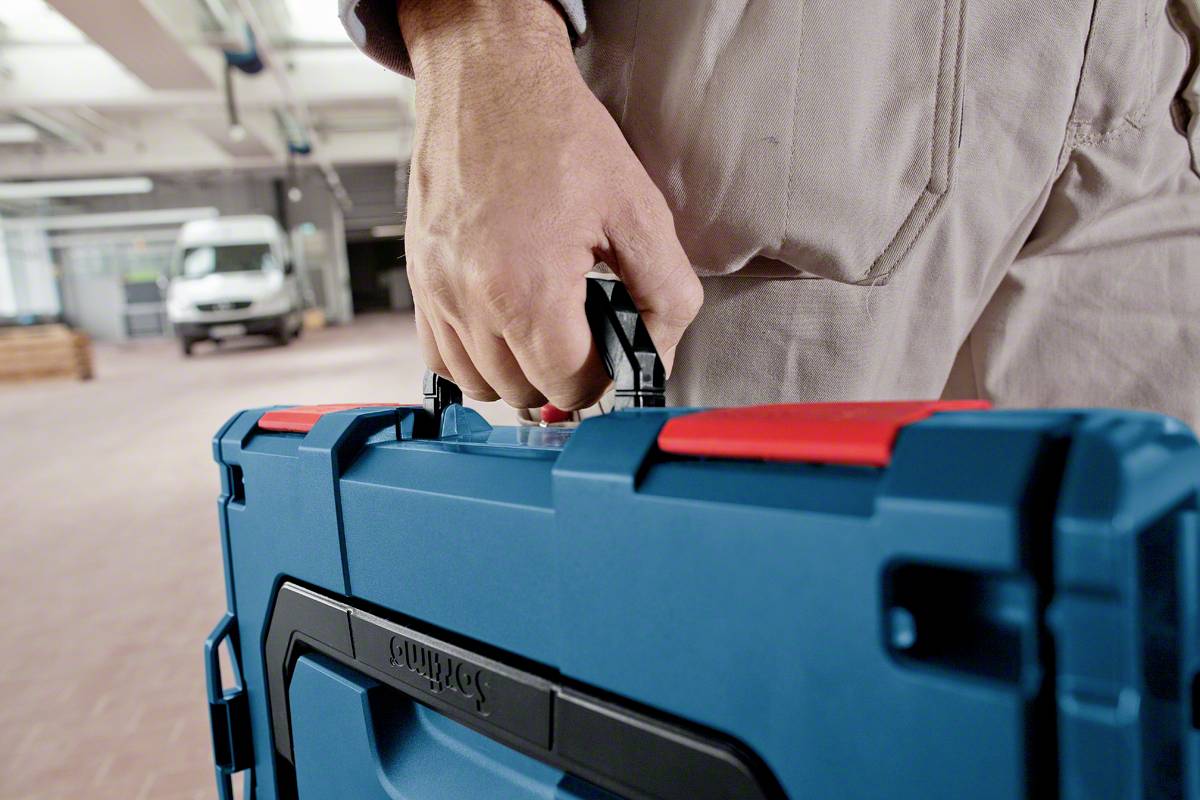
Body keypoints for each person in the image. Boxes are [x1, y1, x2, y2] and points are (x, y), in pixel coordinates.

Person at [340, 0, 1200, 427]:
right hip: (817, 63)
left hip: (1158, 103)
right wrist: (477, 35)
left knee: (1117, 645)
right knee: (713, 672)